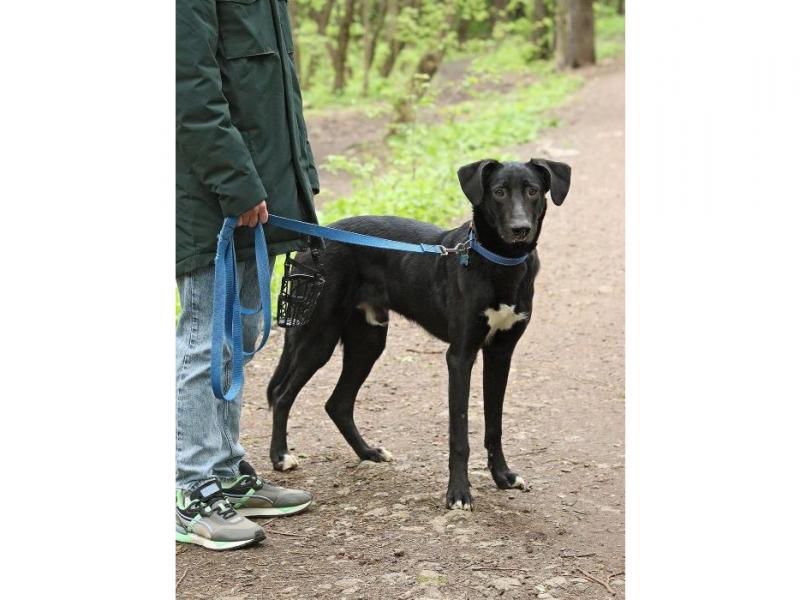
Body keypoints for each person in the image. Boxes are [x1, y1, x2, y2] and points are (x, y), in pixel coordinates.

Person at [175, 0, 320, 551]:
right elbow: (188, 86)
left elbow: (272, 89)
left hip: (253, 196)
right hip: (210, 196)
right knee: (205, 343)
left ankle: (226, 472)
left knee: (234, 340)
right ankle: (191, 489)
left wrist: (298, 179)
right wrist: (236, 181)